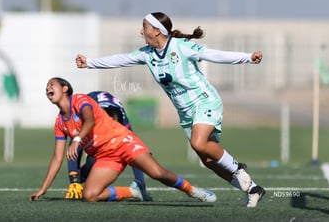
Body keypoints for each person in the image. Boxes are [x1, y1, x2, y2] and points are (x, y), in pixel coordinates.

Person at [75, 12, 266, 207]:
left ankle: (238, 168)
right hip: (185, 113)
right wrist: (89, 63)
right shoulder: (147, 54)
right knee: (209, 160)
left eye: (145, 27)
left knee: (198, 143)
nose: (141, 31)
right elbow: (121, 59)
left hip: (204, 101)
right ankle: (253, 189)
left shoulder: (180, 46)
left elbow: (213, 54)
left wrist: (248, 58)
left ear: (157, 31)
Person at [29, 77, 217, 203]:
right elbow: (57, 158)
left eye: (51, 84)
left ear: (65, 89)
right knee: (90, 195)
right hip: (105, 157)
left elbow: (90, 120)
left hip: (122, 141)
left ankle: (192, 190)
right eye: (46, 87)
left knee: (158, 173)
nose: (48, 88)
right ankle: (132, 192)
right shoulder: (60, 122)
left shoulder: (79, 99)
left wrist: (77, 138)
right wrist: (43, 189)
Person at [64, 90, 151, 201]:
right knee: (88, 150)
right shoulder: (90, 117)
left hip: (106, 107)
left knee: (105, 155)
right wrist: (74, 179)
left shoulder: (123, 122)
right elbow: (75, 147)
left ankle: (84, 175)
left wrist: (140, 182)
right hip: (91, 106)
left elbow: (135, 152)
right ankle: (81, 176)